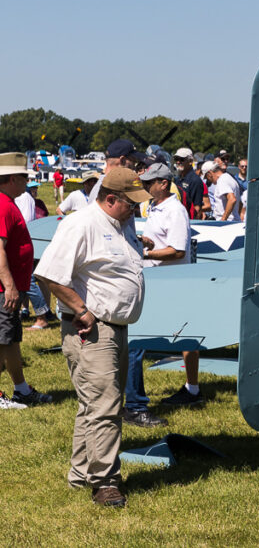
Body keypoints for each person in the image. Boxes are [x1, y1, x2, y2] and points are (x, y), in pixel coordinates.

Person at [34, 167, 150, 507]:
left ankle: (81, 474)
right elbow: (49, 275)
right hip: (92, 328)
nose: (136, 209)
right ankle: (105, 482)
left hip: (115, 328)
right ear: (110, 199)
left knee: (95, 404)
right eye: (131, 203)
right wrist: (82, 311)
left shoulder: (121, 225)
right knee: (105, 406)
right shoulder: (80, 223)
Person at [123, 163, 195, 427]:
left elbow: (177, 250)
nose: (145, 186)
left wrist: (145, 253)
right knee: (138, 342)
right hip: (156, 280)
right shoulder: (155, 207)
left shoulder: (175, 210)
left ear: (164, 183)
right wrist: (147, 242)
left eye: (149, 182)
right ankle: (134, 403)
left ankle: (135, 405)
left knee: (141, 342)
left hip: (169, 283)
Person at [0, 153, 54, 409]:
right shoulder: (3, 205)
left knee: (9, 339)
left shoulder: (7, 203)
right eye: (24, 177)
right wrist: (10, 286)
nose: (27, 182)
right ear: (11, 179)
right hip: (4, 288)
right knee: (4, 339)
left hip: (9, 288)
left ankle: (21, 389)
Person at [172, 148, 206, 219]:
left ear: (190, 161)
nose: (178, 162)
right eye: (176, 159)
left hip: (187, 221)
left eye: (182, 159)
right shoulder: (177, 179)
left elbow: (197, 208)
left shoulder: (195, 180)